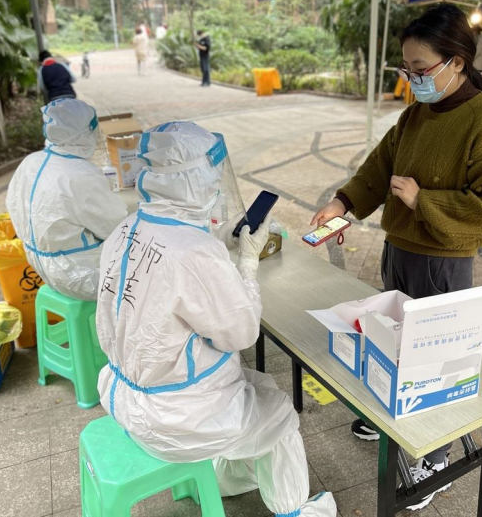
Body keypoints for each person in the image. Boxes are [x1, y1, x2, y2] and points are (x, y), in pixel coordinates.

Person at [311, 3, 482, 511]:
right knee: (395, 338)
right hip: (400, 250)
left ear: (458, 63)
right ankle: (393, 412)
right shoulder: (416, 114)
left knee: (438, 358)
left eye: (421, 70)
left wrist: (423, 200)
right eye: (406, 70)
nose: (412, 80)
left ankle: (436, 458)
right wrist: (342, 202)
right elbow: (378, 170)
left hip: (443, 260)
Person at [95, 121, 337, 517]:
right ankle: (293, 511)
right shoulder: (194, 254)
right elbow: (242, 332)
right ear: (192, 178)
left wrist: (216, 242)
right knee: (279, 412)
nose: (216, 184)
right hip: (178, 421)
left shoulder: (124, 230)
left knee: (260, 384)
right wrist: (246, 261)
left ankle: (223, 477)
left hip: (126, 398)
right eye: (211, 174)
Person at [6, 98, 128, 301]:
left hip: (40, 266)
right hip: (84, 276)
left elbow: (14, 207)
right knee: (153, 260)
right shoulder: (80, 175)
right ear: (82, 131)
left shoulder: (31, 162)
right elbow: (116, 227)